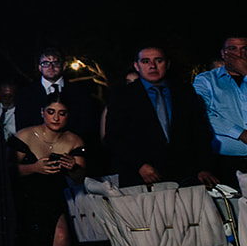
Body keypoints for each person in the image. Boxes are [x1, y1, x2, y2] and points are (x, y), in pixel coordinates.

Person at [103, 45, 217, 188]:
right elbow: (113, 138)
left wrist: (203, 168)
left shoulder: (185, 92)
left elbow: (200, 132)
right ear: (136, 66)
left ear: (167, 64)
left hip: (184, 176)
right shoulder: (122, 96)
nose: (152, 66)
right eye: (146, 61)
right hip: (140, 178)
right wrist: (140, 165)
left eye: (158, 60)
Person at [8, 94, 86, 246]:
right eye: (51, 112)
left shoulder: (74, 140)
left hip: (55, 196)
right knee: (30, 242)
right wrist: (34, 168)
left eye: (62, 113)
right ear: (43, 112)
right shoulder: (25, 136)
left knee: (62, 239)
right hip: (24, 197)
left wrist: (73, 167)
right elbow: (6, 170)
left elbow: (80, 178)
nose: (56, 117)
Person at [194, 33, 247, 180]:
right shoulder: (206, 80)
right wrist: (241, 133)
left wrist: (245, 73)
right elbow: (203, 114)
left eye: (244, 49)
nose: (239, 54)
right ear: (223, 53)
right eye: (233, 49)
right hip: (224, 161)